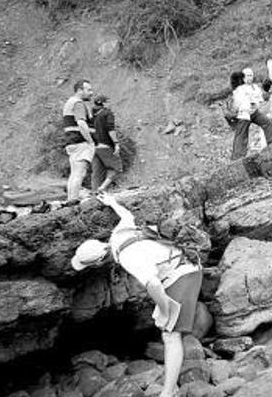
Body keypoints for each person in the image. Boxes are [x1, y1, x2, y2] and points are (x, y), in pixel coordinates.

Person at [71, 194, 203, 397]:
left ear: (98, 262)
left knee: (170, 335)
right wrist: (112, 202)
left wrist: (166, 310)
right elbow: (126, 215)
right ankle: (172, 384)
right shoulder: (118, 235)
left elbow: (153, 284)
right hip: (179, 263)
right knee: (167, 326)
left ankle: (168, 393)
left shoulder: (127, 258)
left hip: (184, 273)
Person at [62, 80, 96, 202]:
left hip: (72, 142)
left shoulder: (70, 102)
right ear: (80, 90)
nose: (91, 93)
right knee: (79, 173)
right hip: (80, 142)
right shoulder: (78, 103)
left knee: (74, 173)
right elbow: (81, 123)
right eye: (88, 90)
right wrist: (90, 141)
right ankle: (73, 201)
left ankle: (71, 200)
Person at [231, 68, 272, 160]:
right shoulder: (239, 89)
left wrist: (256, 105)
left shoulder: (256, 87)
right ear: (243, 77)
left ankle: (271, 144)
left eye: (251, 75)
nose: (250, 77)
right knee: (242, 134)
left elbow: (260, 99)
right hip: (244, 114)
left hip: (254, 112)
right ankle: (238, 157)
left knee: (267, 122)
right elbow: (237, 103)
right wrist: (247, 107)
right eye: (247, 75)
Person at [91, 95, 122, 193]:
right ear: (103, 103)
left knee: (97, 172)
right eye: (108, 101)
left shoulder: (94, 115)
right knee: (116, 168)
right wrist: (116, 143)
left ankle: (94, 193)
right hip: (106, 146)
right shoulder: (107, 113)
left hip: (95, 147)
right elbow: (111, 129)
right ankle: (102, 188)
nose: (110, 103)